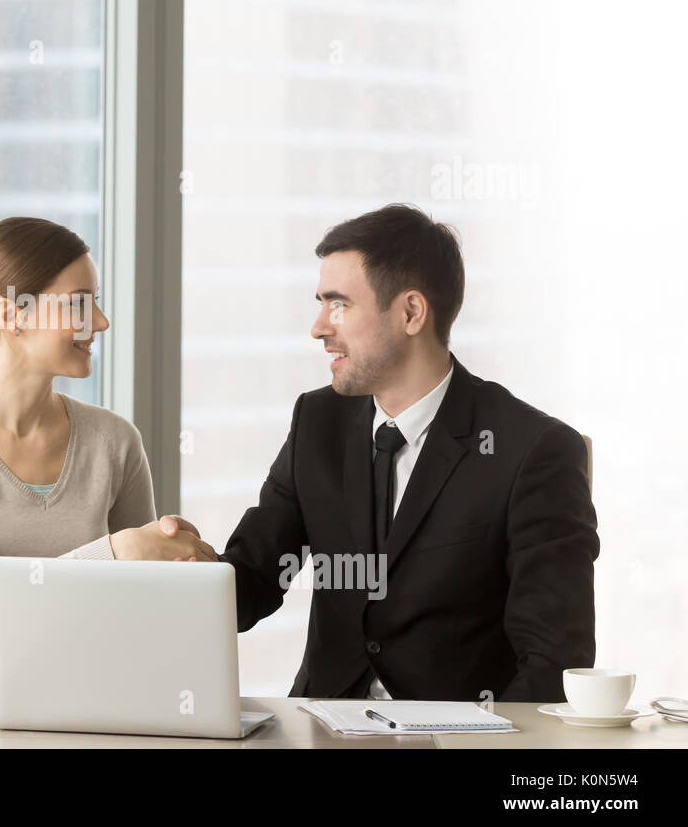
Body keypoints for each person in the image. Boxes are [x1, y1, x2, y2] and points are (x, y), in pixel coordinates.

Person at [160, 204, 599, 702]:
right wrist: (187, 571)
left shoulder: (532, 451)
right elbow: (254, 579)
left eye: (339, 305)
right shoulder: (317, 422)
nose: (319, 327)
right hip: (322, 729)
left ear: (411, 312)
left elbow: (554, 665)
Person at [0, 216, 215, 697]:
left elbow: (136, 609)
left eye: (95, 302)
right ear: (12, 315)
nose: (100, 322)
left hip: (76, 709)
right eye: (79, 303)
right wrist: (121, 551)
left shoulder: (115, 441)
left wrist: (171, 569)